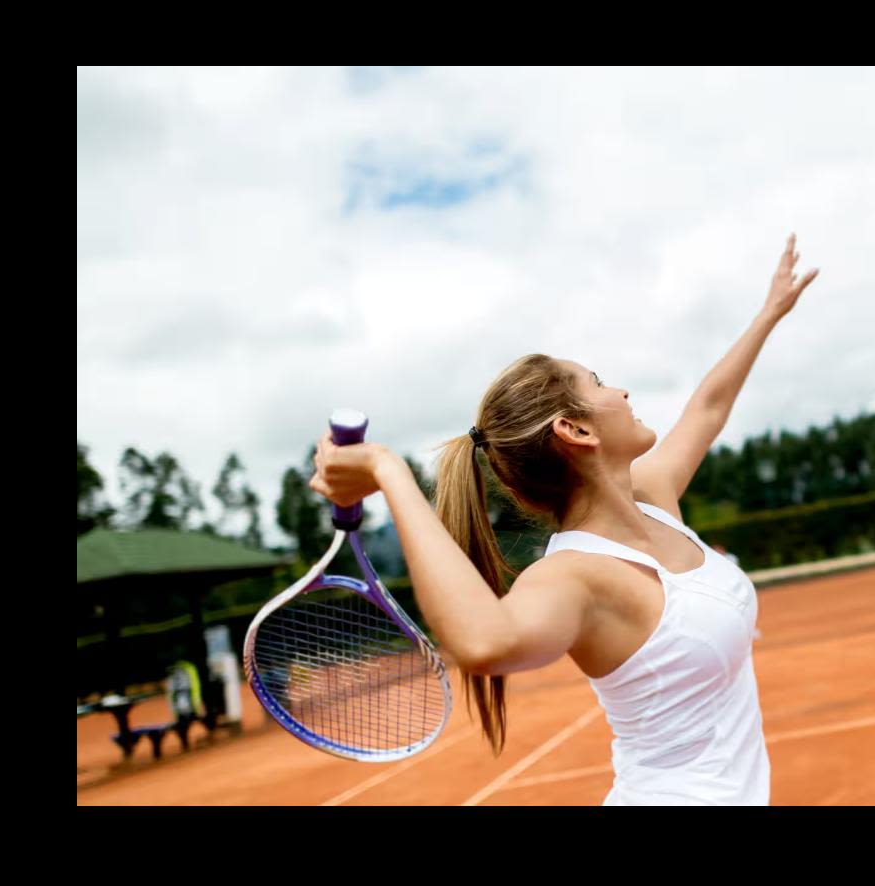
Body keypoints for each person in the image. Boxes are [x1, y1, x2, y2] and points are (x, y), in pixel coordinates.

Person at [311, 235, 819, 804]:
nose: (622, 390)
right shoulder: (574, 577)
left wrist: (770, 312)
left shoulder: (653, 498)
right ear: (575, 431)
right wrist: (389, 472)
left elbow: (709, 405)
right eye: (600, 383)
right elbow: (483, 641)